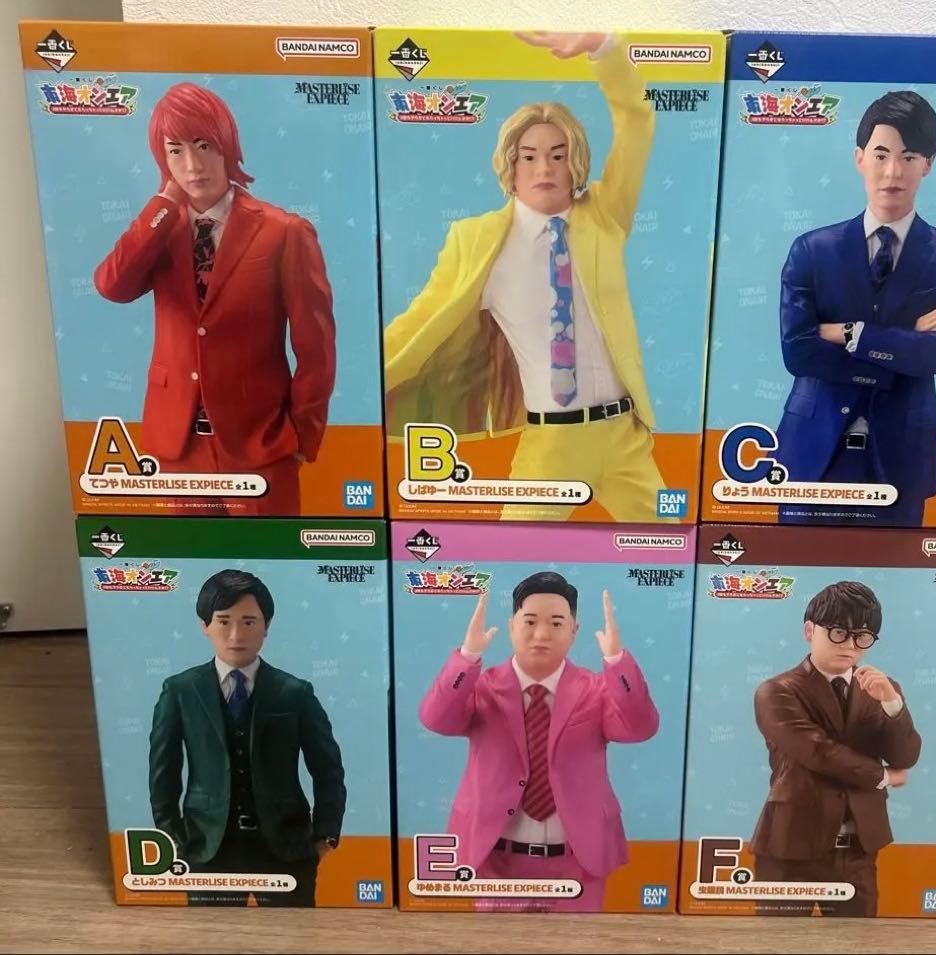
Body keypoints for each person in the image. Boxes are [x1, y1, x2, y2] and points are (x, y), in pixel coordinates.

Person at [384, 31, 666, 521]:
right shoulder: (476, 240)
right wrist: (351, 380)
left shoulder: (604, 217)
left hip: (625, 437)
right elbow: (420, 321)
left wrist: (604, 48)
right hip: (550, 441)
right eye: (529, 156)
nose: (544, 169)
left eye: (558, 155)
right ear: (509, 167)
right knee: (514, 546)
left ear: (576, 163)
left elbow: (637, 122)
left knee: (666, 545)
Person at [94, 82, 335, 515]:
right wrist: (162, 204)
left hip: (261, 443)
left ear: (226, 146)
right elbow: (113, 286)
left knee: (271, 554)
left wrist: (303, 435)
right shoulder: (160, 230)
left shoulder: (285, 232)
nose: (192, 165)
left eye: (204, 146)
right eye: (175, 151)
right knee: (191, 555)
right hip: (179, 443)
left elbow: (316, 347)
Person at [775, 91, 936, 526]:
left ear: (929, 164)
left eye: (909, 157)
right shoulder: (812, 249)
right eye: (881, 155)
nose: (893, 172)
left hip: (901, 457)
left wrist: (848, 333)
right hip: (812, 449)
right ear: (859, 158)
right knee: (795, 557)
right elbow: (798, 352)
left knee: (893, 566)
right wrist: (905, 341)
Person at [418, 572, 659, 911]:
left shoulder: (596, 690)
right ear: (511, 626)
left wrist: (617, 661)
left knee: (581, 938)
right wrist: (468, 655)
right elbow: (436, 719)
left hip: (578, 863)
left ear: (574, 630)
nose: (542, 634)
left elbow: (639, 728)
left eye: (557, 623)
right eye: (530, 621)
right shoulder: (483, 687)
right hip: (496, 859)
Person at [148, 570, 345, 906]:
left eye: (249, 622)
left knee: (293, 930)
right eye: (223, 621)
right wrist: (172, 837)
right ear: (204, 625)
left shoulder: (294, 692)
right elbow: (162, 770)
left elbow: (328, 769)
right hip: (206, 846)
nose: (236, 635)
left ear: (267, 626)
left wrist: (325, 836)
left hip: (286, 845)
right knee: (211, 931)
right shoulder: (180, 690)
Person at [750, 581, 921, 917]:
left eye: (863, 636)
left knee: (857, 936)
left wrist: (892, 703)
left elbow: (906, 756)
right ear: (809, 631)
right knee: (779, 937)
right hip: (791, 844)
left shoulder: (883, 688)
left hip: (858, 848)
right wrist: (883, 776)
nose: (851, 646)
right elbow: (817, 751)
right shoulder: (776, 691)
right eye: (839, 633)